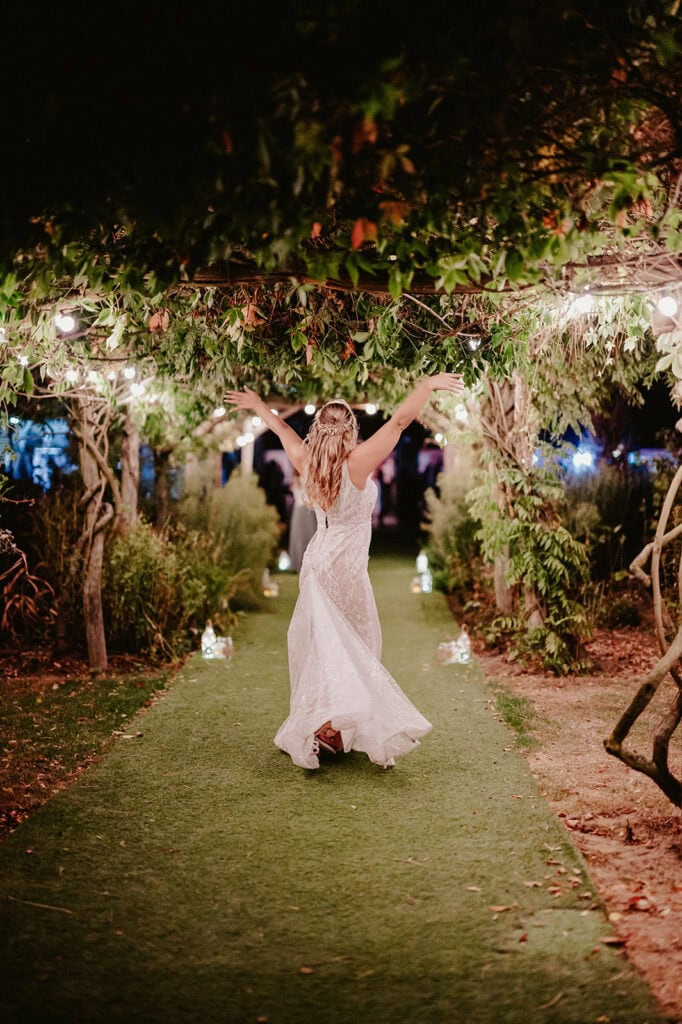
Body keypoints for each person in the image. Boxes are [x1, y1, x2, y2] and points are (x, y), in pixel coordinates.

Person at [224, 373, 465, 769]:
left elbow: (282, 427)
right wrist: (425, 386)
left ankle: (330, 727)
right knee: (360, 642)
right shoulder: (358, 462)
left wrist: (258, 406)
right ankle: (331, 727)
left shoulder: (307, 459)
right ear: (351, 429)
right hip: (347, 568)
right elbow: (400, 422)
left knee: (326, 646)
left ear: (317, 428)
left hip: (318, 564)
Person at [288, 468, 317, 571]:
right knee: (305, 535)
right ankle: (303, 563)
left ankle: (300, 563)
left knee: (301, 536)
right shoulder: (303, 478)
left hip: (300, 508)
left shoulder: (296, 478)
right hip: (304, 508)